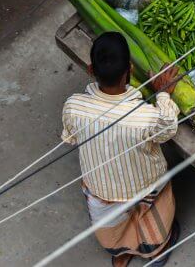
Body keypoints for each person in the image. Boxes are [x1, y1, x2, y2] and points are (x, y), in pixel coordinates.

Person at [61, 32, 182, 266]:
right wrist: (164, 93)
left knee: (111, 227)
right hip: (145, 186)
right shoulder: (143, 116)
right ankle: (155, 253)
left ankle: (121, 253)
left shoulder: (73, 106)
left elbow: (71, 137)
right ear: (129, 68)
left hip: (101, 190)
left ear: (90, 69)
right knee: (156, 216)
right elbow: (168, 128)